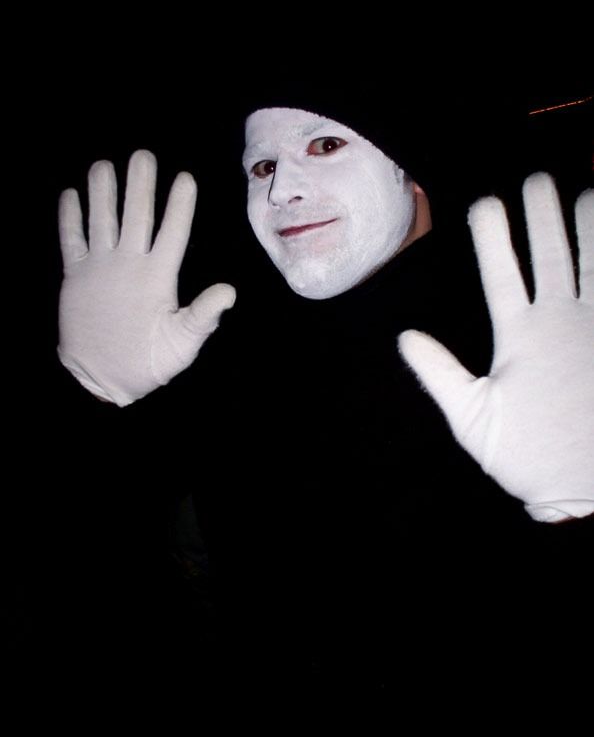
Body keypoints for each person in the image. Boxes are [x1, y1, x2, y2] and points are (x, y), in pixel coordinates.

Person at [56, 79, 593, 694]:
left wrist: (576, 514)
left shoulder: (540, 335)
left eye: (326, 146)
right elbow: (111, 553)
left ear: (412, 174)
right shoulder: (232, 350)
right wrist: (98, 397)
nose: (280, 190)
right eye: (262, 167)